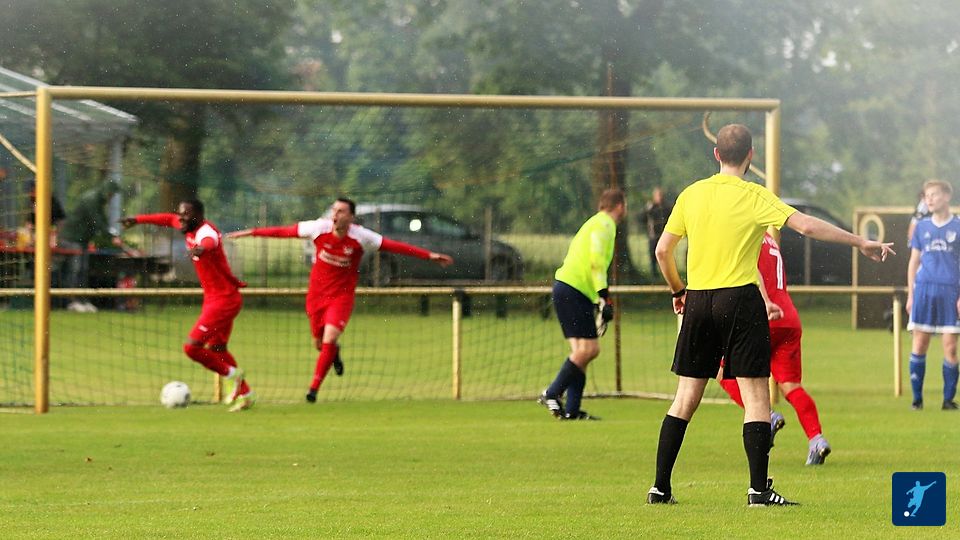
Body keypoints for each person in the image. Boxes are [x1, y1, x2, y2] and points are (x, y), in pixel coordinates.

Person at [646, 123, 894, 507]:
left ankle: (660, 489)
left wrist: (679, 291)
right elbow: (807, 225)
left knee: (684, 400)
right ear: (751, 156)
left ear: (716, 154)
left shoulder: (691, 194)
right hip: (740, 301)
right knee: (757, 399)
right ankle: (758, 491)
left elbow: (663, 251)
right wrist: (860, 241)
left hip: (698, 301)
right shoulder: (755, 195)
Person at [226, 197, 454, 403]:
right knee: (320, 344)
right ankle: (334, 353)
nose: (335, 214)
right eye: (334, 210)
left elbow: (394, 246)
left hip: (341, 297)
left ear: (351, 217)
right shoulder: (319, 228)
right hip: (316, 296)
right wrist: (251, 232)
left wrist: (429, 255)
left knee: (330, 337)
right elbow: (284, 231)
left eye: (341, 211)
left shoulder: (361, 236)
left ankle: (313, 390)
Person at [120, 200, 255, 412]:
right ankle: (246, 395)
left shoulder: (205, 231)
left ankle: (233, 376)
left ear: (198, 216)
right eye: (180, 214)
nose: (180, 218)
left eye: (185, 215)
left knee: (192, 348)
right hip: (216, 298)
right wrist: (137, 220)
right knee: (218, 349)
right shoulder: (187, 224)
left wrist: (201, 248)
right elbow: (167, 219)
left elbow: (210, 241)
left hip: (224, 301)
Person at [717, 233, 831, 465]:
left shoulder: (743, 234)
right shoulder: (769, 238)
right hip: (787, 317)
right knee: (791, 386)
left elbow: (750, 272)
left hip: (763, 314)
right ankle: (816, 439)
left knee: (720, 368)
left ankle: (766, 417)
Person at [538, 188, 626, 421]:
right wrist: (604, 296)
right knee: (590, 350)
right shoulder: (606, 224)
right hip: (574, 290)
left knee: (581, 353)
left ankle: (572, 410)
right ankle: (552, 392)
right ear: (620, 206)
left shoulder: (594, 222)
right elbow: (596, 262)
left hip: (566, 288)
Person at [905, 179, 960, 411]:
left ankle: (948, 400)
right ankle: (917, 400)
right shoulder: (922, 227)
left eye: (934, 194)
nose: (929, 199)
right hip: (924, 290)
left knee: (950, 346)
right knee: (920, 343)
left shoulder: (958, 226)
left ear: (946, 196)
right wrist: (911, 294)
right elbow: (914, 261)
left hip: (951, 291)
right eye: (927, 195)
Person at [59, 181, 121, 312]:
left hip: (83, 240)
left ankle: (82, 300)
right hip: (72, 239)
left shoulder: (99, 201)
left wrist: (112, 235)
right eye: (111, 194)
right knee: (75, 270)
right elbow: (97, 221)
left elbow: (103, 220)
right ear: (106, 191)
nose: (111, 197)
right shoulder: (91, 200)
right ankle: (72, 301)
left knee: (83, 270)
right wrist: (111, 237)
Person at [642, 187, 672, 277]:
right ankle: (654, 274)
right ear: (654, 196)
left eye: (660, 195)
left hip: (664, 235)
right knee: (653, 254)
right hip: (653, 235)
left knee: (665, 254)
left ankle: (666, 273)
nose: (659, 197)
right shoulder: (651, 207)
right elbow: (642, 218)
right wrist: (647, 209)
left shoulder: (666, 207)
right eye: (658, 195)